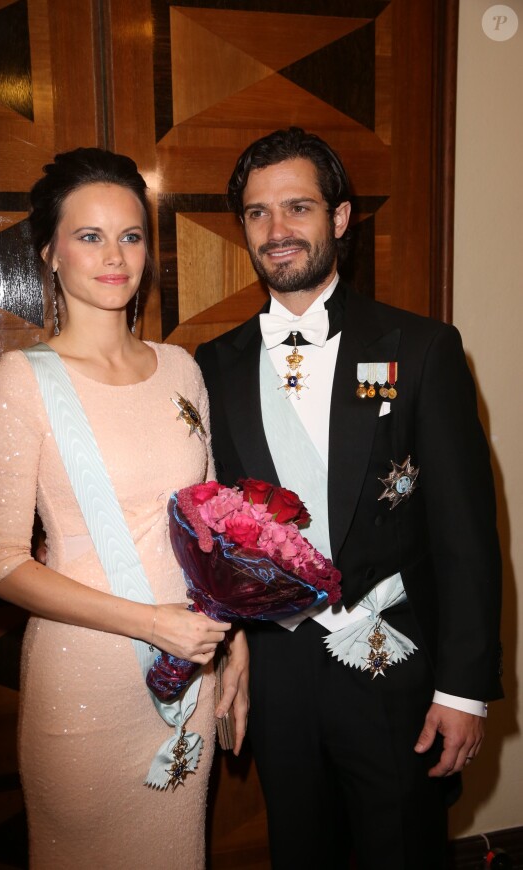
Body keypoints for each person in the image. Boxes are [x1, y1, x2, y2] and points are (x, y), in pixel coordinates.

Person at [195, 127, 502, 869]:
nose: (277, 231)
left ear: (339, 218)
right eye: (258, 214)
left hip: (392, 662)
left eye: (297, 208)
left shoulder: (422, 348)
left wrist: (464, 690)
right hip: (278, 674)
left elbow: (466, 535)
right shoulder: (211, 365)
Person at [0, 147, 247, 869]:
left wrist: (235, 641)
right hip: (87, 689)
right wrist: (152, 624)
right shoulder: (21, 382)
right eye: (89, 236)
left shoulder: (182, 368)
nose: (114, 255)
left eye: (130, 235)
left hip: (193, 671)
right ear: (50, 253)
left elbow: (212, 525)